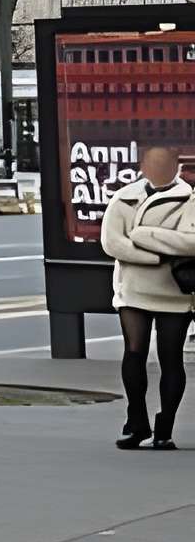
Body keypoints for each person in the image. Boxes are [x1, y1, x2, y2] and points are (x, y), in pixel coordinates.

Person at [100, 144, 195, 449]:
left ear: (176, 166)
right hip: (133, 289)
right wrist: (155, 257)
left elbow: (191, 243)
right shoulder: (124, 197)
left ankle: (164, 427)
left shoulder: (189, 199)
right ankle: (136, 422)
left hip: (174, 292)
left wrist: (142, 236)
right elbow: (112, 242)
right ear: (142, 166)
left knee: (171, 358)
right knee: (134, 352)